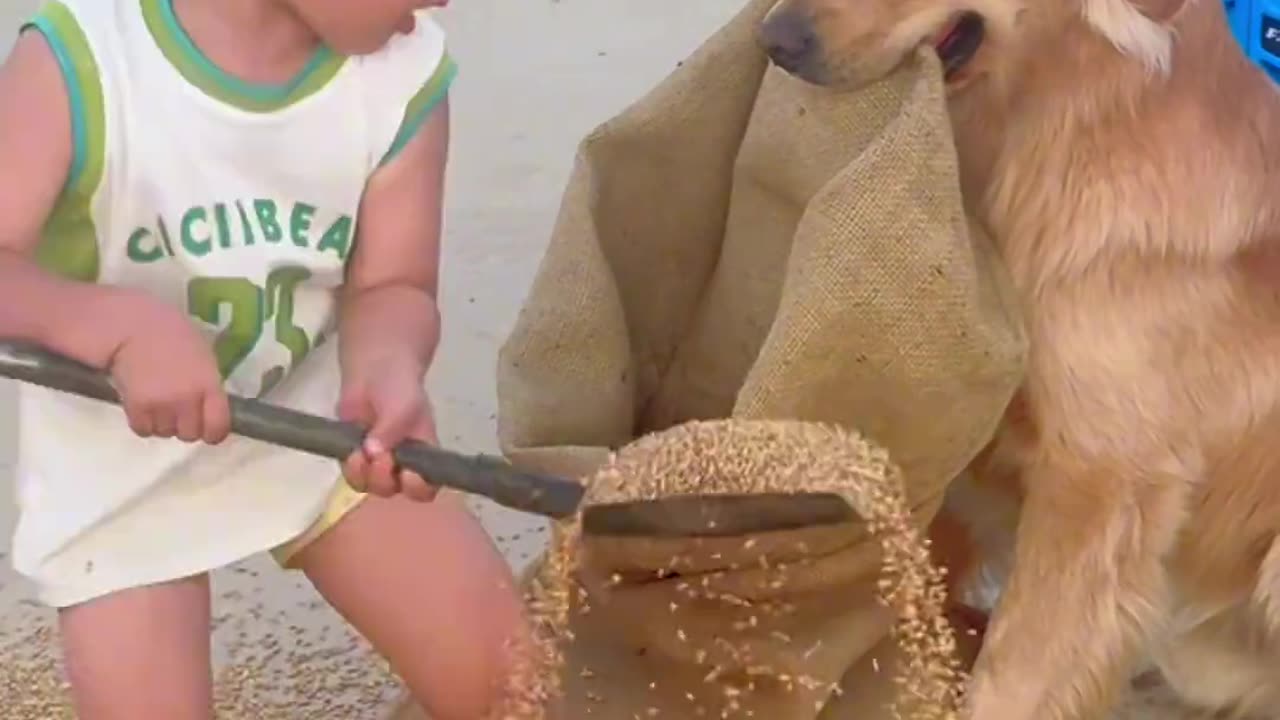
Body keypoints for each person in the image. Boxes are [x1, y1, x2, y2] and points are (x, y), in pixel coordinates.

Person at [0, 1, 530, 718]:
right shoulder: (81, 58)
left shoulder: (401, 71)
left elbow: (392, 284)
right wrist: (110, 325)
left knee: (523, 689)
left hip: (322, 431)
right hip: (114, 477)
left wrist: (388, 365)